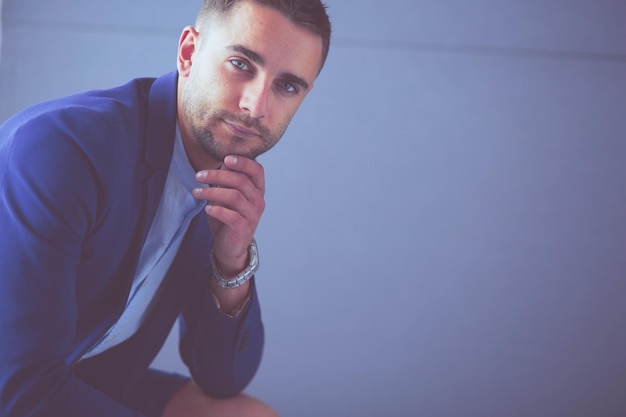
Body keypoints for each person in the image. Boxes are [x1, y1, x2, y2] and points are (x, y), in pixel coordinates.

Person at [0, 0, 331, 415]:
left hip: (94, 374)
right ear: (189, 53)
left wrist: (231, 263)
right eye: (241, 63)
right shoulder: (61, 149)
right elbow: (18, 390)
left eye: (286, 86)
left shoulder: (222, 183)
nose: (255, 106)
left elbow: (222, 380)